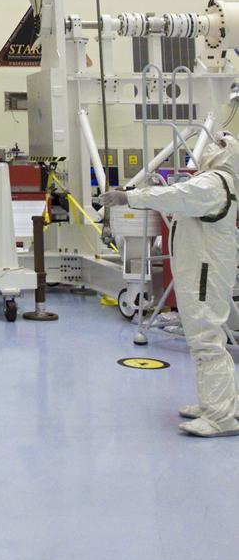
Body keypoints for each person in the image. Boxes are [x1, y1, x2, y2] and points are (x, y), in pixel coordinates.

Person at [102, 131, 239, 438]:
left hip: (203, 275)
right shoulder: (219, 183)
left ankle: (221, 417)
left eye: (218, 144)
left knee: (206, 340)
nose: (210, 148)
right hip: (204, 271)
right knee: (207, 338)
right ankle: (220, 404)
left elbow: (174, 196)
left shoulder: (213, 183)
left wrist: (130, 197)